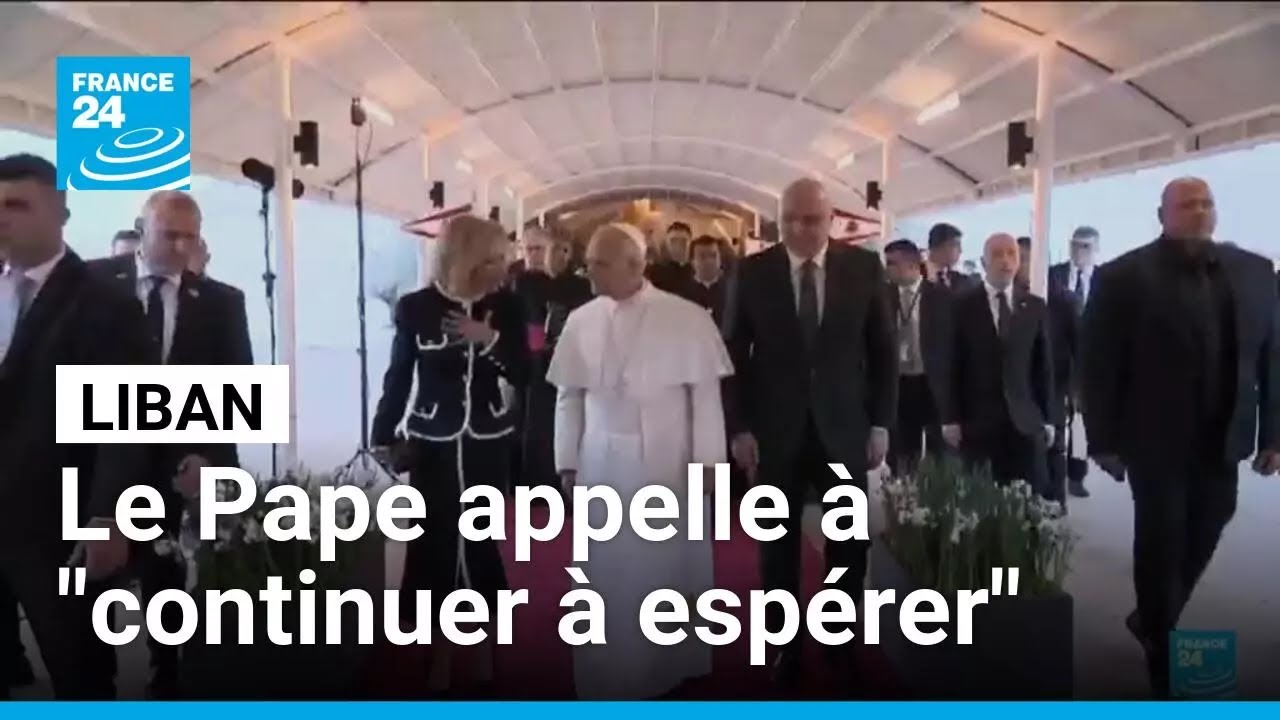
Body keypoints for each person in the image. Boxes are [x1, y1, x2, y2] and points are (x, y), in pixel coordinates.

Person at [1081, 177, 1280, 697]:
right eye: (1187, 204)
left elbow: (1272, 358)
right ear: (1162, 215)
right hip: (1153, 437)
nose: (1199, 211)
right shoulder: (1123, 276)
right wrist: (1102, 440)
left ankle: (1152, 616)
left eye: (1207, 203)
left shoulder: (1255, 272)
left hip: (1225, 433)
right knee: (1162, 537)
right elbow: (1098, 364)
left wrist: (1274, 434)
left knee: (1213, 519)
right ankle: (1162, 647)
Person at [722, 177, 896, 689]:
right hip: (774, 431)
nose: (799, 229)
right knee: (776, 548)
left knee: (848, 547)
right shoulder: (753, 271)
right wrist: (740, 427)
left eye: (811, 219)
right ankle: (785, 647)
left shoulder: (863, 267)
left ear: (832, 221)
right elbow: (733, 354)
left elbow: (883, 350)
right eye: (790, 219)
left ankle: (840, 644)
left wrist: (881, 423)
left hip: (844, 427)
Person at [548, 222, 730, 699]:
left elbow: (706, 399)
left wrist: (710, 464)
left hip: (670, 465)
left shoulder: (686, 317)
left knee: (666, 569)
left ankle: (672, 665)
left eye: (599, 264)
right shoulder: (580, 320)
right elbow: (568, 396)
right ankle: (606, 667)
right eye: (588, 262)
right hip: (601, 463)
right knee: (607, 572)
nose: (589, 271)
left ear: (635, 265)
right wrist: (567, 462)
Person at [85, 190, 253, 697]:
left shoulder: (223, 302)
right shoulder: (89, 284)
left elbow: (235, 393)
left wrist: (212, 461)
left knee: (168, 586)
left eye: (190, 237)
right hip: (95, 470)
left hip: (177, 472)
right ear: (142, 230)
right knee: (91, 592)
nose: (181, 247)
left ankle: (167, 682)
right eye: (169, 235)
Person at [0, 153, 146, 698]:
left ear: (60, 212)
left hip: (58, 528)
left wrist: (109, 517)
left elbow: (125, 421)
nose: (1, 218)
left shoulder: (103, 302)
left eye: (17, 205)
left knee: (79, 671)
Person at [370, 214, 530, 696]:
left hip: (487, 441)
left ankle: (483, 652)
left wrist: (490, 340)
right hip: (433, 444)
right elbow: (399, 376)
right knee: (434, 545)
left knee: (479, 541)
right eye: (493, 259)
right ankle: (438, 653)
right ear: (465, 258)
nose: (502, 268)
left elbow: (526, 372)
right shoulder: (415, 308)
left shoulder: (508, 306)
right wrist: (382, 434)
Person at [943, 233, 1056, 494]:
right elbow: (950, 365)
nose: (1005, 260)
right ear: (983, 263)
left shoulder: (1034, 306)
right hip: (977, 422)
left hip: (1025, 421)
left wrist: (1049, 418)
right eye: (997, 254)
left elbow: (1043, 368)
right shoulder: (961, 306)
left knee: (1028, 499)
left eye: (1011, 254)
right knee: (981, 499)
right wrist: (950, 417)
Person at [520, 229, 591, 492]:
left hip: (572, 361)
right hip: (536, 364)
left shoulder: (581, 286)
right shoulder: (526, 283)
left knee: (569, 422)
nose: (558, 256)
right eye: (553, 249)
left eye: (564, 250)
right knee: (537, 423)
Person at [1015, 236, 1078, 507]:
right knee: (1029, 451)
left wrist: (1074, 391)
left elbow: (1079, 347)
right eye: (1019, 259)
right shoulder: (1011, 299)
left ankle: (1055, 506)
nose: (1021, 265)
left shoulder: (1063, 299)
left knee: (1054, 449)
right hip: (1020, 389)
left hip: (1055, 387)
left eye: (1027, 259)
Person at [883, 239, 954, 475]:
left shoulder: (942, 297)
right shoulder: (882, 296)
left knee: (939, 451)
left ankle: (936, 492)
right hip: (898, 382)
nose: (887, 268)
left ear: (912, 264)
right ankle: (901, 490)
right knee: (901, 449)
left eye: (892, 263)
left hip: (932, 381)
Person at [1048, 226, 1099, 498]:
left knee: (1080, 424)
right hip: (1056, 361)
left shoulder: (1104, 280)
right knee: (1056, 420)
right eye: (1075, 245)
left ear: (1096, 249)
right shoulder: (1052, 275)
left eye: (1086, 246)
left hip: (1087, 363)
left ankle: (1076, 476)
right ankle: (1054, 476)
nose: (1080, 251)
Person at [684, 234, 727, 325]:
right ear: (692, 262)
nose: (709, 261)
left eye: (713, 256)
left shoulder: (731, 291)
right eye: (702, 256)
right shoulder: (683, 294)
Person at [927, 222, 977, 293]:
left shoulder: (963, 281)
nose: (960, 250)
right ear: (938, 247)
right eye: (956, 245)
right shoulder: (918, 276)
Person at [645, 221, 694, 295]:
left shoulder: (699, 273)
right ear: (667, 243)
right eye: (673, 241)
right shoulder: (655, 273)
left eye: (683, 242)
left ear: (691, 243)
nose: (678, 246)